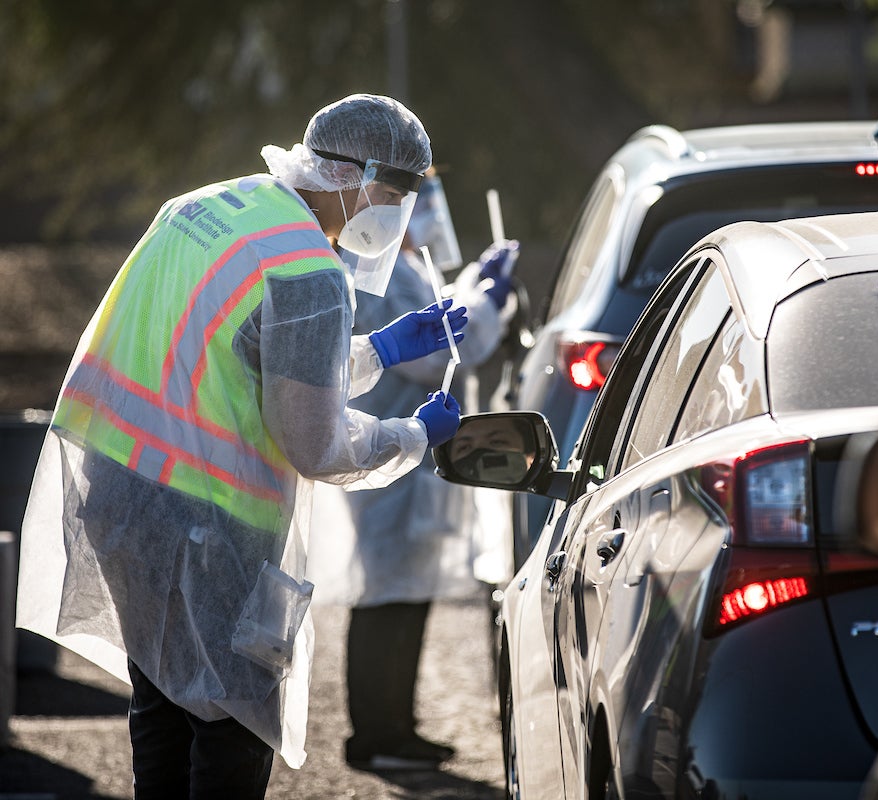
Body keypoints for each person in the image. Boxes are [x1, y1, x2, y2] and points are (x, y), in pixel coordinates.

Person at [15, 93, 467, 798]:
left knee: (161, 703)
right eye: (394, 194)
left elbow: (243, 349)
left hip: (118, 491)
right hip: (213, 524)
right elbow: (314, 442)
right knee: (233, 728)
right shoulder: (310, 270)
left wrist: (376, 350)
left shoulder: (208, 207)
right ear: (357, 178)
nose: (393, 213)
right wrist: (414, 436)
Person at [324, 171, 520, 771]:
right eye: (412, 199)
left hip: (409, 459)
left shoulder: (399, 264)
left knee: (407, 596)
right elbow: (436, 349)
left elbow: (439, 313)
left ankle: (397, 730)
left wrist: (472, 289)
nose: (428, 211)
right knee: (385, 597)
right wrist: (484, 298)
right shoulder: (371, 270)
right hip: (388, 455)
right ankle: (375, 736)